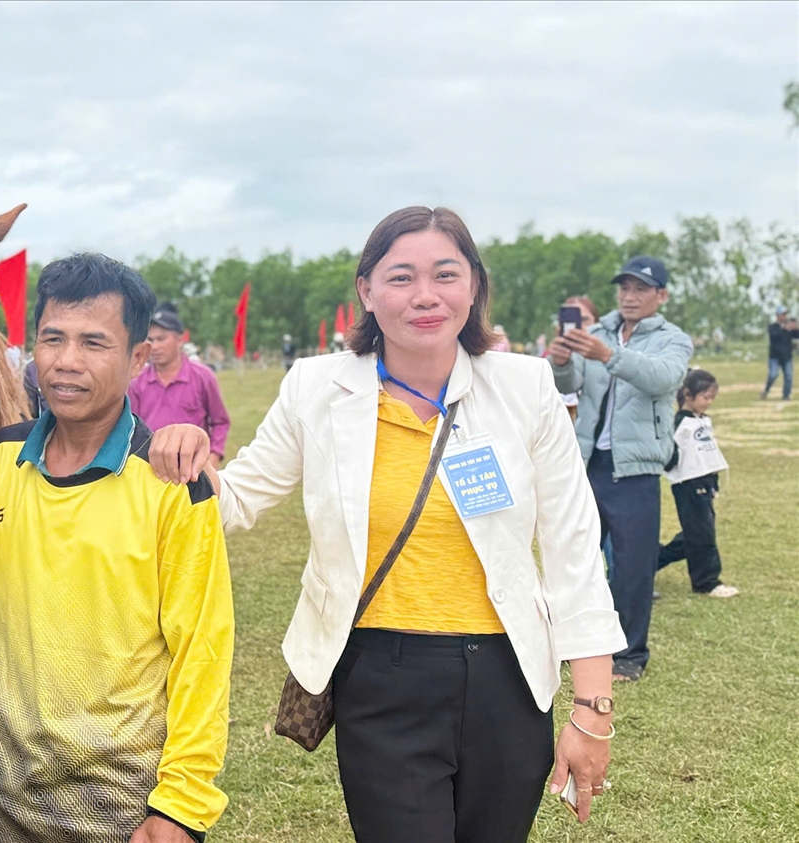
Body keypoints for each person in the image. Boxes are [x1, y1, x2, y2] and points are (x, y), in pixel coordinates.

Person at [150, 207, 624, 841]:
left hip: (508, 681)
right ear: (366, 292)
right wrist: (183, 452)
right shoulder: (317, 386)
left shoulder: (525, 385)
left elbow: (573, 548)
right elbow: (234, 500)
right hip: (381, 674)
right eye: (400, 277)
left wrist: (592, 711)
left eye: (445, 275)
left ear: (475, 286)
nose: (425, 296)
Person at [0, 253, 234, 843]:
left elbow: (203, 653)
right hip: (5, 790)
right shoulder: (0, 460)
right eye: (52, 338)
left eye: (94, 343)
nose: (66, 362)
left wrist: (181, 808)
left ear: (139, 357)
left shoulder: (170, 485)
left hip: (123, 797)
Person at [550, 256, 692, 683]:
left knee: (633, 566)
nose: (629, 297)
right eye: (624, 288)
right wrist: (561, 362)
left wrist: (609, 356)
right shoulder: (596, 332)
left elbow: (663, 379)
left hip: (636, 467)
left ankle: (630, 655)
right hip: (591, 460)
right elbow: (569, 385)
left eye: (640, 289)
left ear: (660, 296)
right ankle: (572, 644)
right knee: (576, 556)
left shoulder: (673, 339)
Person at [657, 370, 738, 598]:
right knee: (702, 533)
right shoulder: (680, 424)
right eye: (705, 397)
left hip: (705, 483)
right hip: (688, 485)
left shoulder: (702, 420)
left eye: (712, 397)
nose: (709, 402)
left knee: (695, 534)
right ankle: (707, 581)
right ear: (688, 394)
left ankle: (650, 561)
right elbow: (668, 456)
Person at [129, 304, 232, 464]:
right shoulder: (137, 381)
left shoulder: (203, 377)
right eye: (151, 340)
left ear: (180, 340)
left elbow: (220, 421)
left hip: (193, 468)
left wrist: (214, 456)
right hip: (150, 468)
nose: (155, 346)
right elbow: (130, 427)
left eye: (161, 339)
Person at [762, 306, 798, 400]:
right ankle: (766, 389)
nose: (784, 317)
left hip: (787, 357)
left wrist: (795, 327)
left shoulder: (789, 328)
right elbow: (774, 336)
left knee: (788, 377)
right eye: (782, 314)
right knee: (773, 375)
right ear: (777, 316)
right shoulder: (772, 327)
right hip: (775, 357)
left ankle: (786, 395)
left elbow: (797, 336)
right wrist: (784, 328)